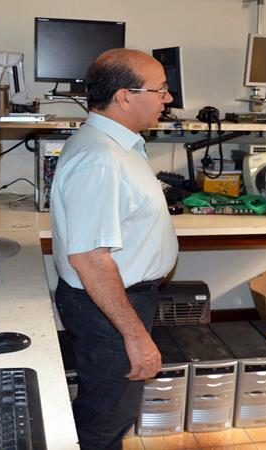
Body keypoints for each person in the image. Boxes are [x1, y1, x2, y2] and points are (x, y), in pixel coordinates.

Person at [49, 48, 178, 450]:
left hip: (114, 299)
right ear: (124, 97)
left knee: (110, 410)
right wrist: (135, 336)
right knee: (105, 419)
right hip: (108, 305)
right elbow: (90, 258)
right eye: (161, 89)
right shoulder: (101, 159)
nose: (168, 99)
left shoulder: (118, 146)